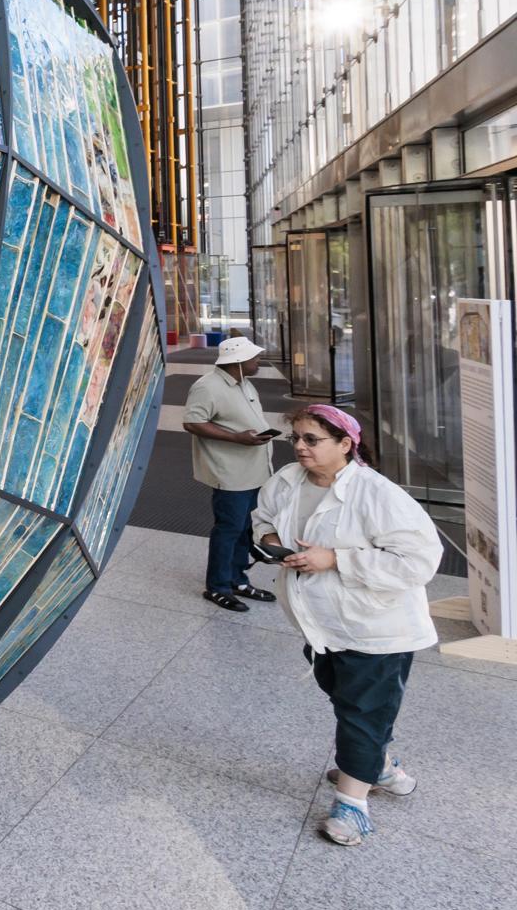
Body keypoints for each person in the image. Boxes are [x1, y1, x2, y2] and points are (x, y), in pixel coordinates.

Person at [251, 404, 441, 848]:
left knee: (361, 710)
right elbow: (263, 519)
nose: (299, 446)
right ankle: (377, 765)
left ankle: (352, 806)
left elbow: (419, 561)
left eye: (312, 439)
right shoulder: (285, 482)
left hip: (376, 629)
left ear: (345, 444)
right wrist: (271, 542)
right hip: (319, 625)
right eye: (295, 437)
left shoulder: (379, 495)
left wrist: (335, 558)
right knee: (350, 702)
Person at [183, 336, 280, 610]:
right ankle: (218, 586)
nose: (258, 361)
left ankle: (238, 579)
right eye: (254, 358)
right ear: (238, 362)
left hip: (255, 470)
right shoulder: (207, 387)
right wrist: (237, 438)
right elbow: (192, 422)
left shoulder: (243, 382)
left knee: (246, 528)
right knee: (229, 529)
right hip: (231, 472)